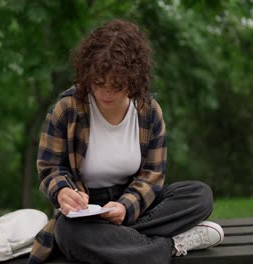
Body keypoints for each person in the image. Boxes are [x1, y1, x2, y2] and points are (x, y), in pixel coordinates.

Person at [27, 19, 224, 264]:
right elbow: (49, 167)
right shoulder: (67, 109)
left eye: (117, 85)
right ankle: (173, 245)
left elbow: (153, 174)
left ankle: (117, 242)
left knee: (199, 195)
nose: (105, 93)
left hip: (135, 206)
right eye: (98, 83)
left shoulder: (149, 111)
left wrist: (126, 207)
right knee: (68, 232)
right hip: (86, 214)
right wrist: (63, 191)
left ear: (134, 79)